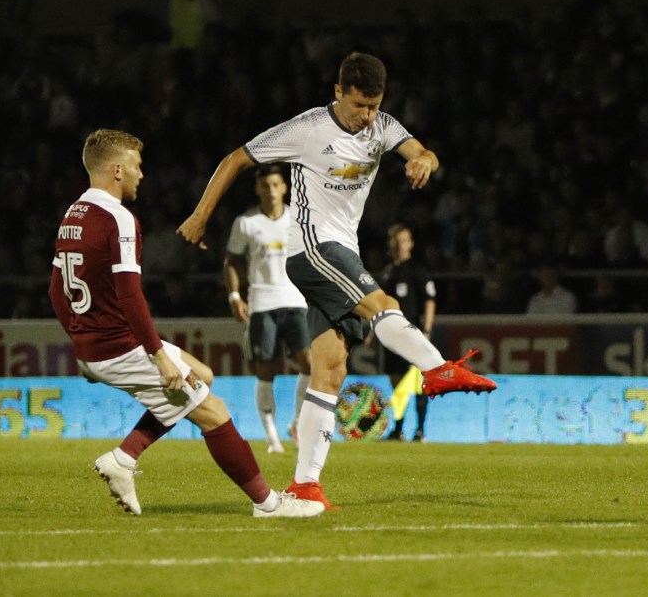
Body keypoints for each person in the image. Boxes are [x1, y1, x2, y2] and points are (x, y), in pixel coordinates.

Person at [177, 52, 497, 510]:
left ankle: (306, 485)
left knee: (329, 370)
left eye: (373, 105)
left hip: (343, 251)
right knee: (380, 301)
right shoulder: (306, 129)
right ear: (338, 93)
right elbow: (235, 160)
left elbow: (422, 150)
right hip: (311, 249)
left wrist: (425, 160)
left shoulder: (382, 126)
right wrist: (199, 215)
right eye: (357, 106)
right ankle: (435, 368)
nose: (365, 116)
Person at [48, 129, 323, 519]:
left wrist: (81, 346)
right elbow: (130, 296)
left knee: (203, 375)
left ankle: (124, 459)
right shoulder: (119, 219)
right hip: (120, 346)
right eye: (136, 165)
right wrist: (158, 356)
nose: (142, 174)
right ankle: (268, 503)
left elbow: (56, 291)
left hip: (99, 346)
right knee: (214, 411)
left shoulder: (73, 214)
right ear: (116, 170)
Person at [224, 163, 312, 454]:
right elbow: (232, 262)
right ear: (258, 189)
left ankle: (298, 423)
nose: (271, 191)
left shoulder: (298, 219)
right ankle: (272, 437)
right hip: (262, 302)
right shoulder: (246, 223)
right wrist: (235, 296)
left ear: (284, 187)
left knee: (309, 363)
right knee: (266, 368)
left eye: (275, 185)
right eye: (265, 186)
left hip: (296, 299)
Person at [379, 223, 436, 442]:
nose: (399, 245)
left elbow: (429, 301)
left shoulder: (417, 270)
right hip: (391, 335)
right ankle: (398, 428)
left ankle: (420, 430)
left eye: (403, 240)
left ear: (410, 243)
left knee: (417, 381)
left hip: (413, 333)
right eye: (396, 241)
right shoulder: (388, 271)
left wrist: (427, 330)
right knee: (396, 382)